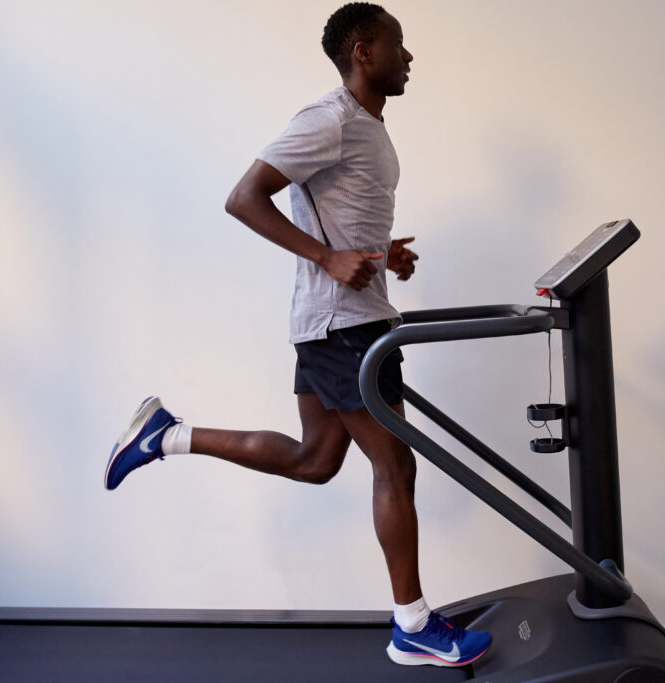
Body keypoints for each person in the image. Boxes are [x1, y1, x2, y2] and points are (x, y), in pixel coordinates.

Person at [103, 2, 491, 669]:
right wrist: (326, 258)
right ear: (364, 51)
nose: (409, 56)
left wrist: (377, 249)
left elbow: (337, 218)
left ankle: (163, 433)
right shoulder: (329, 119)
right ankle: (413, 624)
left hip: (335, 322)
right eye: (399, 44)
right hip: (345, 327)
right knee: (395, 465)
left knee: (317, 461)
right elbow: (244, 196)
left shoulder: (369, 129)